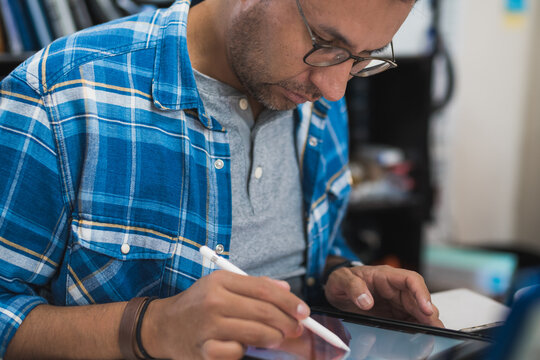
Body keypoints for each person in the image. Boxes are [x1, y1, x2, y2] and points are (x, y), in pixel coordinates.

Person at [0, 0, 442, 358]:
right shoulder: (63, 93)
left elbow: (294, 251)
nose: (334, 87)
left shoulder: (316, 96)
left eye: (361, 59)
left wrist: (339, 275)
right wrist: (150, 329)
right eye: (326, 43)